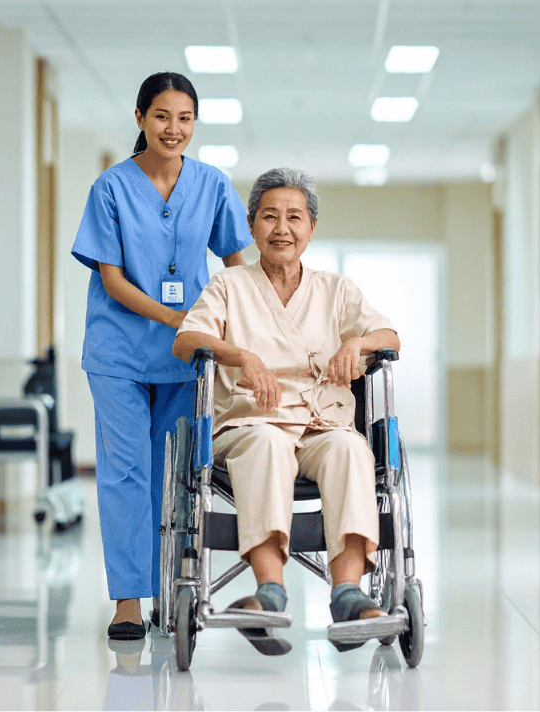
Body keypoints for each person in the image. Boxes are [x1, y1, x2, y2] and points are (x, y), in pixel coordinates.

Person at [173, 167, 400, 656]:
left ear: (311, 228)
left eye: (294, 217)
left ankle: (348, 594)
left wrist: (356, 342)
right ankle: (269, 592)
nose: (282, 228)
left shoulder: (337, 290)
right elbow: (187, 340)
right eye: (270, 216)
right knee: (268, 443)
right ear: (252, 225)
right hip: (253, 421)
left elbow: (390, 338)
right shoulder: (229, 285)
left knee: (350, 449)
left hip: (321, 424)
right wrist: (241, 356)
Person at [71, 72, 254, 641]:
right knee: (126, 472)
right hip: (119, 352)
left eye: (184, 119)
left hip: (184, 358)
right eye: (161, 117)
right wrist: (178, 318)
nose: (173, 129)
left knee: (175, 477)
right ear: (140, 119)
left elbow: (235, 264)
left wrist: (259, 320)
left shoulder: (212, 185)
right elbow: (113, 278)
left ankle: (171, 591)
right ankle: (128, 601)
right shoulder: (110, 189)